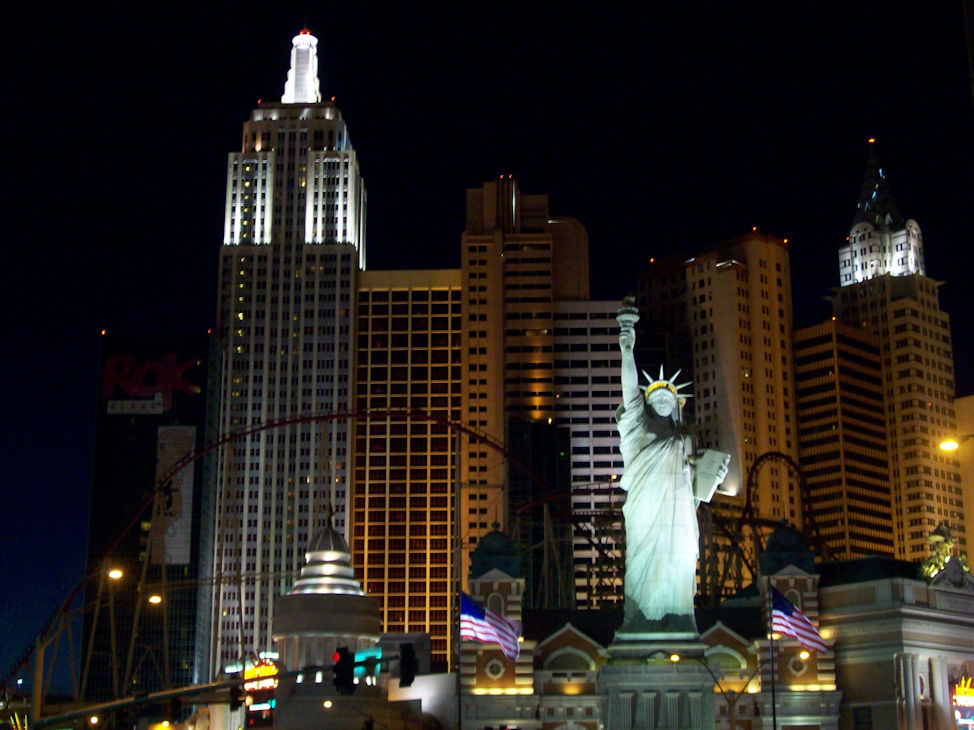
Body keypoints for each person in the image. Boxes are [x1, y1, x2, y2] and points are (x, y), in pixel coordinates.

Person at [616, 299, 728, 635]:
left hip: (678, 516)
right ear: (648, 403)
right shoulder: (639, 425)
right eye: (657, 399)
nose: (663, 401)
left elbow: (694, 492)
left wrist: (713, 479)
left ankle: (681, 618)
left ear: (676, 405)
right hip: (645, 510)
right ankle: (639, 620)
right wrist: (627, 348)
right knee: (641, 564)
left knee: (678, 561)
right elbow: (629, 387)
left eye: (669, 399)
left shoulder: (685, 441)